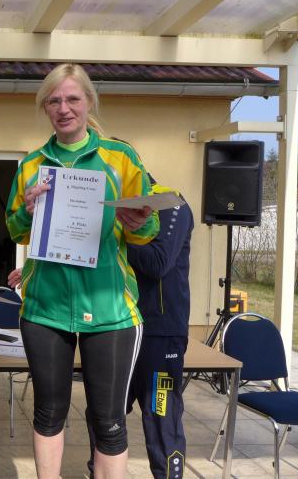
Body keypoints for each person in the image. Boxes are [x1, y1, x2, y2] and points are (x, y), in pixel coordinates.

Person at [5, 63, 158, 479]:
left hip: (110, 312)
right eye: (54, 101)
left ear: (89, 102)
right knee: (48, 412)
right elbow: (15, 230)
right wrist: (28, 211)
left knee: (109, 423)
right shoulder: (31, 165)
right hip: (45, 308)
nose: (64, 108)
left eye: (72, 99)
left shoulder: (120, 158)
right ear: (45, 108)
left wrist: (139, 222)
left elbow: (148, 229)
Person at [86, 175, 193, 479]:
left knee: (161, 418)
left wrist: (109, 243)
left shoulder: (171, 203)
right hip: (118, 326)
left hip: (161, 332)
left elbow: (159, 262)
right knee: (102, 415)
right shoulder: (112, 209)